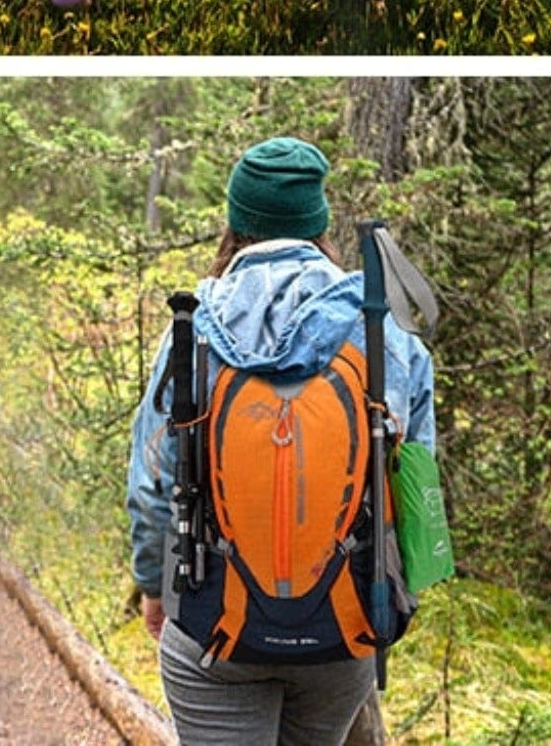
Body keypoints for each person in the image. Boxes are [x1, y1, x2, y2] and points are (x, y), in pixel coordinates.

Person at [126, 138, 437, 746]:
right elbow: (419, 490)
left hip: (212, 621)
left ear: (237, 222)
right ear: (317, 224)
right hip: (342, 626)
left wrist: (151, 585)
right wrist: (396, 594)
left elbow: (151, 481)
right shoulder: (383, 333)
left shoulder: (192, 328)